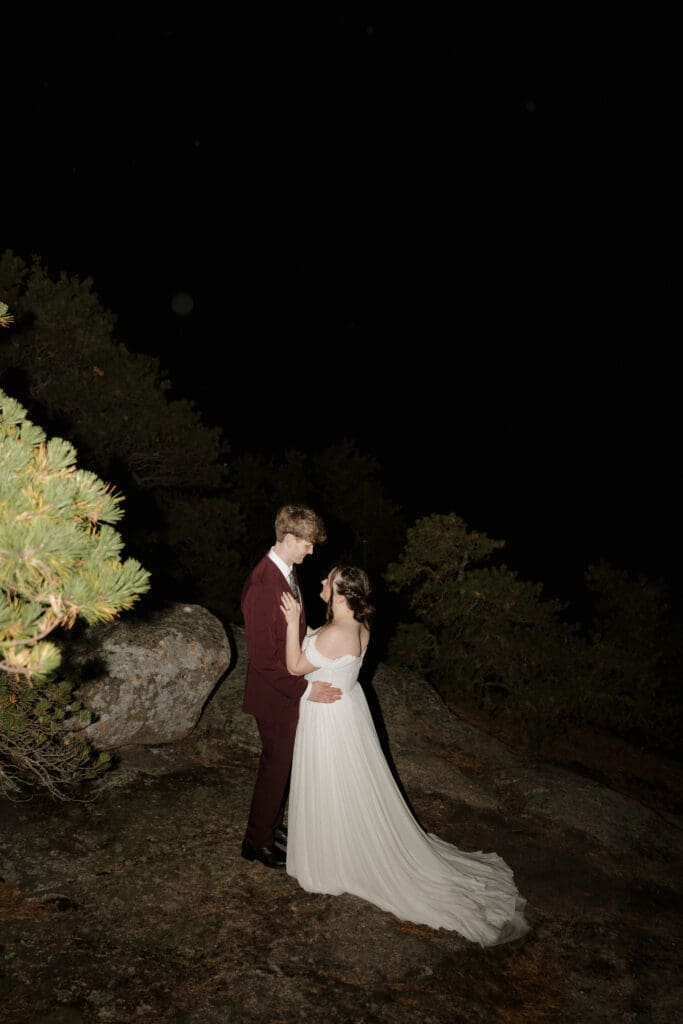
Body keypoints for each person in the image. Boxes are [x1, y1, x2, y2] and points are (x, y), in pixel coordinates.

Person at [280, 565, 530, 946]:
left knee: (332, 781)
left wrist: (292, 621)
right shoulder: (359, 625)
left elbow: (296, 666)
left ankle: (336, 856)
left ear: (341, 594)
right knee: (350, 785)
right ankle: (342, 841)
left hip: (329, 719)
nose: (321, 583)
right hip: (347, 709)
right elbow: (326, 656)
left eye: (327, 581)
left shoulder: (334, 633)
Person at [240, 504, 342, 869]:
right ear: (289, 538)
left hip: (288, 686)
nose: (312, 551)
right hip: (275, 694)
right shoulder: (262, 585)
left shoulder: (286, 571)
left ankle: (271, 825)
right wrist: (305, 690)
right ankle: (256, 842)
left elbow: (293, 630)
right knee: (275, 764)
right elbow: (263, 660)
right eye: (308, 544)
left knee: (283, 764)